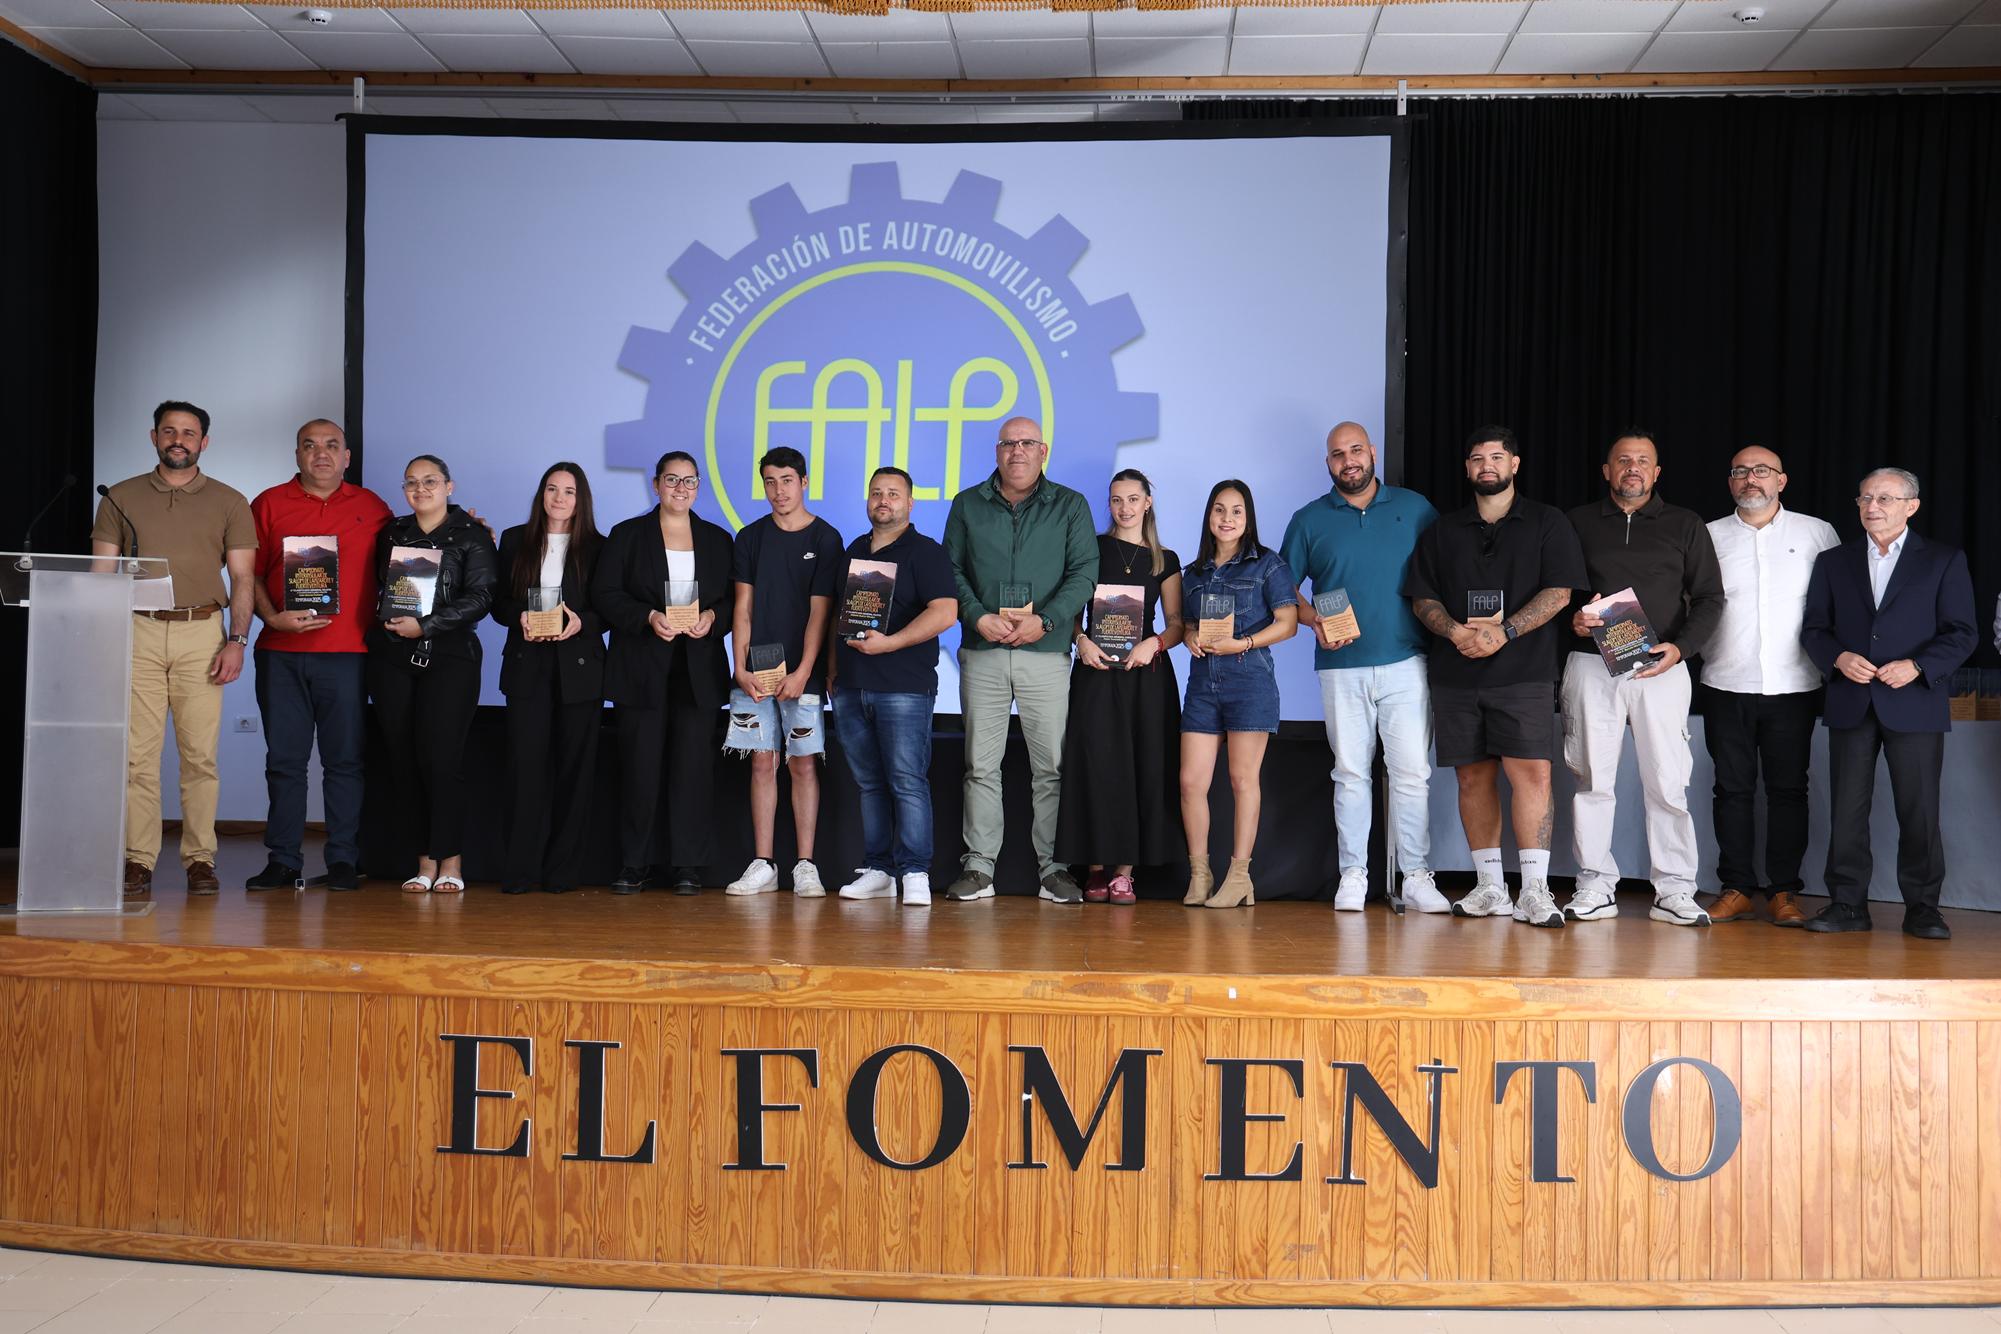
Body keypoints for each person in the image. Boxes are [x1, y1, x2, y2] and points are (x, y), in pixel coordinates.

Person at [1402, 426, 1589, 929]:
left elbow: (1560, 593)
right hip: (1456, 675)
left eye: (1497, 457)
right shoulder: (1442, 530)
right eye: (1477, 458)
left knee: (1533, 775)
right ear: (1467, 468)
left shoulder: (1547, 522)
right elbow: (1422, 597)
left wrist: (1504, 632)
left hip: (1524, 674)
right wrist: (1454, 631)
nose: (1487, 465)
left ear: (1515, 464)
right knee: (1472, 777)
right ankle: (1490, 887)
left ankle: (1534, 891)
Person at [90, 400, 257, 899]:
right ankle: (138, 861)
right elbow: (101, 575)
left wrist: (237, 641)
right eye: (169, 431)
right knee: (137, 759)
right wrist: (101, 639)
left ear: (204, 442)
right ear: (154, 437)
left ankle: (200, 860)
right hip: (137, 631)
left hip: (201, 632)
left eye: (188, 433)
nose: (178, 440)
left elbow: (243, 578)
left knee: (199, 757)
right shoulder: (119, 497)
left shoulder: (230, 501)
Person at [1801, 468, 1976, 940]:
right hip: (1851, 699)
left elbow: (1963, 632)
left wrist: (1918, 666)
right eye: (1865, 498)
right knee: (1846, 810)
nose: (1872, 507)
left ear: (1911, 506)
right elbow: (1814, 628)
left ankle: (1923, 909)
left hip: (1915, 700)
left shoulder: (1943, 560)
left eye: (1884, 498)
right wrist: (1838, 658)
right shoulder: (1833, 561)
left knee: (1919, 811)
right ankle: (1847, 904)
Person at [1280, 421, 1445, 913]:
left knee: (1411, 773)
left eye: (1356, 450)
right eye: (1338, 454)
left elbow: (1446, 571)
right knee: (1350, 773)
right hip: (1341, 667)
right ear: (1327, 463)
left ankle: (1415, 876)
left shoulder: (1416, 509)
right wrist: (1313, 620)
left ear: (1372, 452)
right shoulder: (1309, 520)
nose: (1348, 461)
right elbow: (1282, 589)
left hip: (1406, 662)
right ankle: (1353, 874)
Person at [1562, 430, 1724, 927]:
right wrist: (1573, 618)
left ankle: (1674, 889)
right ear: (1606, 471)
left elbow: (1710, 598)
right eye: (1623, 460)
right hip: (1592, 664)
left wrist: (1681, 649)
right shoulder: (1576, 522)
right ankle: (1594, 885)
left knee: (1668, 782)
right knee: (1592, 779)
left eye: (1643, 461)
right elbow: (1556, 592)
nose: (1632, 468)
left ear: (1656, 473)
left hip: (1662, 666)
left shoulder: (1685, 524)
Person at [941, 417, 1098, 903]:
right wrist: (977, 616)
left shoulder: (1070, 505)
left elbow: (1084, 573)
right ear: (997, 451)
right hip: (983, 650)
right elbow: (951, 569)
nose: (1017, 451)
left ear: (1043, 451)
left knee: (1050, 767)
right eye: (1009, 443)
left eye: (1027, 443)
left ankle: (1054, 869)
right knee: (980, 766)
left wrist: (1046, 621)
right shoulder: (967, 503)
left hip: (1044, 653)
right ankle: (979, 867)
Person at [244, 418, 391, 894]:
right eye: (310, 445)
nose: (321, 453)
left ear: (347, 457)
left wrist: (466, 531)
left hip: (348, 654)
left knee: (344, 762)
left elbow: (412, 554)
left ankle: (344, 859)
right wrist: (273, 618)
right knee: (284, 762)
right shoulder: (268, 504)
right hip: (281, 655)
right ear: (297, 455)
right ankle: (283, 860)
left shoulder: (373, 507)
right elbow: (246, 576)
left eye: (331, 445)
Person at [1699, 447, 1839, 927]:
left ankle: (1784, 892)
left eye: (1761, 471)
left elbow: (1837, 601)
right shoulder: (1707, 535)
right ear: (1730, 481)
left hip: (1795, 683)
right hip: (1725, 681)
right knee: (1730, 789)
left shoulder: (1817, 533)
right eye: (1740, 471)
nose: (1750, 479)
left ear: (1782, 480)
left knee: (1788, 791)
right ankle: (1736, 888)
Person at [592, 451, 734, 895]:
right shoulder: (627, 535)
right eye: (672, 480)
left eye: (689, 481)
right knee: (640, 769)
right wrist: (648, 617)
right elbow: (605, 594)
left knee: (693, 771)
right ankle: (635, 863)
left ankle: (688, 865)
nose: (680, 489)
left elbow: (734, 600)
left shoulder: (718, 539)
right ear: (656, 485)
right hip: (641, 668)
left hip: (698, 671)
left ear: (698, 487)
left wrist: (713, 618)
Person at [827, 467, 959, 907]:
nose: (884, 500)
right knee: (869, 783)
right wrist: (833, 672)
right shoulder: (854, 550)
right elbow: (838, 615)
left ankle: (916, 871)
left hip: (904, 686)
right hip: (851, 686)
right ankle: (879, 869)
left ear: (910, 503)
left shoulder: (926, 552)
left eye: (893, 494)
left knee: (906, 780)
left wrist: (890, 644)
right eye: (876, 493)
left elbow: (945, 612)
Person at [1052, 469, 1184, 904]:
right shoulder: (1090, 549)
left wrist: (1154, 643)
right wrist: (1081, 640)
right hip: (1095, 671)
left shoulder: (1165, 560)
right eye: (1116, 500)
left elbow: (1177, 625)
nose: (1124, 508)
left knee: (1141, 767)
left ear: (1148, 502)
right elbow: (1071, 611)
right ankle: (1093, 869)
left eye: (1132, 499)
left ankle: (1124, 872)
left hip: (1145, 677)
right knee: (1093, 766)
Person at [367, 454, 497, 895]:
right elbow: (383, 587)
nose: (420, 489)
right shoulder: (392, 533)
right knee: (404, 761)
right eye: (411, 482)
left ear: (448, 486)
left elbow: (482, 597)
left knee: (441, 761)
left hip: (451, 659)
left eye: (430, 481)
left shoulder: (472, 535)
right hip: (393, 659)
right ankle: (424, 862)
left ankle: (451, 860)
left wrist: (427, 625)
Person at [723, 447, 844, 898]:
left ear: (804, 482)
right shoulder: (750, 537)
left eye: (787, 480)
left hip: (802, 675)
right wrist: (740, 668)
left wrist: (805, 671)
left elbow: (821, 613)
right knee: (761, 761)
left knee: (803, 763)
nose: (779, 490)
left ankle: (806, 865)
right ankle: (764, 863)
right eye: (770, 482)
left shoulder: (826, 538)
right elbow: (743, 608)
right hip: (755, 673)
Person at [1178, 479, 1299, 910]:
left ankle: (1239, 877)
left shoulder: (1268, 564)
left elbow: (1288, 624)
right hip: (1202, 685)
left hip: (1250, 682)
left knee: (1242, 780)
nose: (1226, 519)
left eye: (1236, 511)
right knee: (1191, 782)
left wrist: (1243, 643)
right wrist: (1190, 636)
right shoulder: (1193, 573)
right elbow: (1188, 624)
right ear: (1208, 516)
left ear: (1248, 518)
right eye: (1219, 510)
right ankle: (1200, 874)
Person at [490, 463, 605, 896]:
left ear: (581, 499)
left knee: (575, 774)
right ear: (542, 494)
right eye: (552, 489)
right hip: (527, 666)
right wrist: (518, 615)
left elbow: (609, 608)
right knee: (524, 771)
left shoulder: (599, 547)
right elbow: (498, 602)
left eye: (569, 491)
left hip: (580, 669)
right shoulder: (514, 540)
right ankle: (519, 870)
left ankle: (562, 873)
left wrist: (582, 622)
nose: (559, 498)